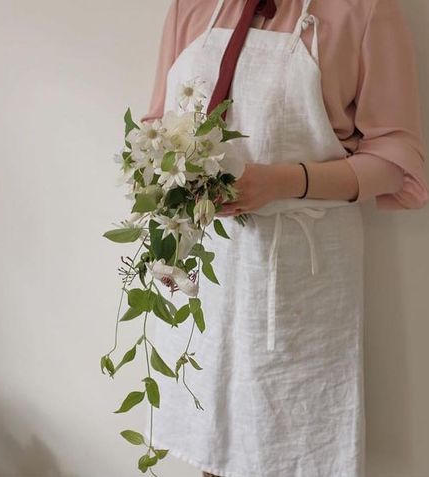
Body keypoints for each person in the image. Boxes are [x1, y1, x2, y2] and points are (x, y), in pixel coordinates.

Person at [139, 1, 429, 476]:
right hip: (203, 272)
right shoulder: (194, 6)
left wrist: (281, 181)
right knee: (210, 437)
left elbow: (397, 158)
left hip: (299, 275)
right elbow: (156, 124)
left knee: (292, 447)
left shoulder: (364, 9)